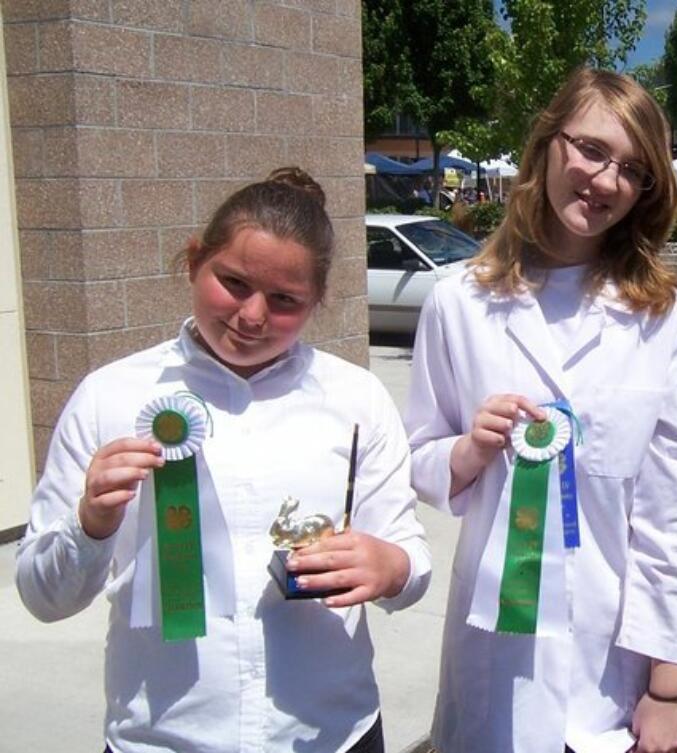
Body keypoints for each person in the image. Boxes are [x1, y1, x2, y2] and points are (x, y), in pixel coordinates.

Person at [16, 167, 432, 753]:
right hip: (162, 738)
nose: (253, 315)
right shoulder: (109, 396)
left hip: (328, 735)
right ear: (194, 261)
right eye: (234, 283)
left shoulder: (355, 399)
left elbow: (410, 561)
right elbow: (42, 597)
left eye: (285, 300)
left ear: (317, 303)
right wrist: (90, 525)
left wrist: (390, 567)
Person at [405, 68, 677, 753]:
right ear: (546, 144)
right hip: (493, 673)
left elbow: (672, 513)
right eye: (592, 150)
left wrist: (667, 683)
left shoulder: (664, 320)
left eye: (632, 170)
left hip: (611, 675)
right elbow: (418, 453)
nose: (604, 181)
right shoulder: (458, 301)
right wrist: (466, 452)